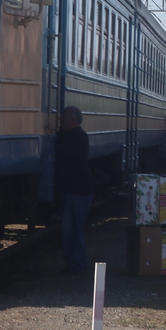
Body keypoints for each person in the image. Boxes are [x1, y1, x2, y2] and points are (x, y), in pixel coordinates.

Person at [55, 105, 93, 274]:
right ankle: (81, 262)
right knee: (75, 229)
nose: (60, 121)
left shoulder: (78, 136)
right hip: (77, 189)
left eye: (62, 118)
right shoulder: (77, 136)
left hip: (77, 190)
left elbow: (62, 153)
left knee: (70, 230)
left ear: (72, 119)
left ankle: (75, 266)